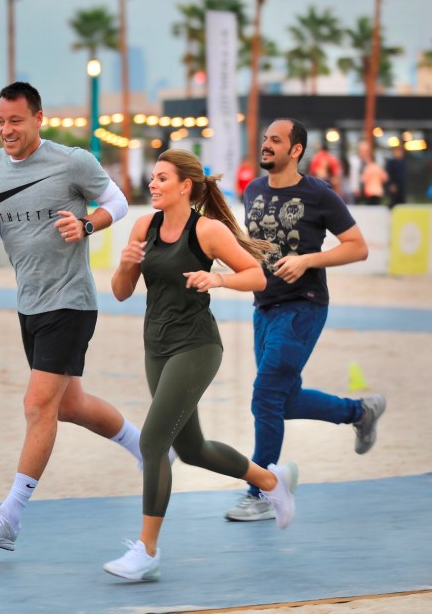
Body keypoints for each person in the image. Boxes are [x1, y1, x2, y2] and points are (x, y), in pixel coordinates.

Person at [0, 81, 146, 551]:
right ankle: (146, 448)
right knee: (69, 406)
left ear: (38, 119)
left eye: (16, 121)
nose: (6, 130)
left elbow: (118, 202)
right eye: (0, 121)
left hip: (71, 301)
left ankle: (10, 516)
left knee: (37, 405)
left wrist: (86, 224)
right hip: (29, 302)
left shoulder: (72, 162)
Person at [103, 149, 297, 582]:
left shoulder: (207, 230)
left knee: (154, 443)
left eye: (162, 178)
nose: (152, 184)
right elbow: (120, 291)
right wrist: (126, 265)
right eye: (153, 177)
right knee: (192, 449)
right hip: (156, 346)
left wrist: (218, 278)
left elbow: (256, 275)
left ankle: (147, 551)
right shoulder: (144, 227)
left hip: (197, 346)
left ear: (185, 186)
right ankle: (271, 482)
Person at [226, 118, 387, 523]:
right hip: (264, 307)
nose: (266, 145)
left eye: (275, 140)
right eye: (265, 139)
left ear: (295, 150)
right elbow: (255, 246)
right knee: (283, 399)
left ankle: (263, 492)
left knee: (265, 396)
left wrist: (308, 260)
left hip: (304, 305)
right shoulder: (253, 190)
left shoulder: (318, 193)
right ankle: (360, 412)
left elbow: (358, 247)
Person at [359, 141, 388, 206]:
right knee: (377, 208)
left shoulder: (367, 168)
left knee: (370, 209)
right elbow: (385, 178)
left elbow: (363, 180)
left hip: (369, 191)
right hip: (378, 191)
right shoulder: (378, 167)